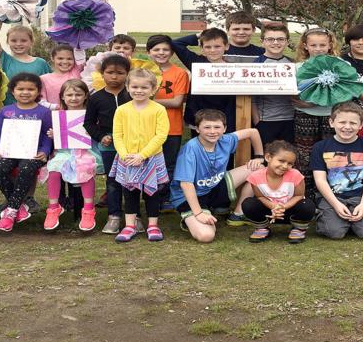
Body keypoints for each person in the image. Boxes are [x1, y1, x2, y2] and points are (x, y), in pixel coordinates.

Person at [173, 108, 263, 243]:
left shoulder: (226, 140)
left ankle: (238, 215)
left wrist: (259, 157)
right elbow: (186, 184)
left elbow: (253, 132)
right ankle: (192, 218)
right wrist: (198, 213)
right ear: (197, 129)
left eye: (217, 127)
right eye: (207, 127)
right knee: (206, 235)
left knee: (259, 169)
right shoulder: (191, 149)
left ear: (224, 128)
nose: (212, 131)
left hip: (214, 186)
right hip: (190, 196)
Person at [109, 68, 171, 242]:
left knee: (152, 193)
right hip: (127, 158)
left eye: (144, 87)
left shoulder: (158, 109)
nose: (139, 90)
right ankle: (130, 226)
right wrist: (124, 154)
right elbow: (117, 134)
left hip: (151, 157)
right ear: (127, 87)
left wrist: (142, 155)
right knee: (129, 192)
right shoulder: (121, 110)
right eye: (135, 86)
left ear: (152, 89)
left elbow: (161, 135)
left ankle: (153, 225)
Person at [310, 104, 363, 240]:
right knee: (334, 232)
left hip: (360, 197)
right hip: (333, 197)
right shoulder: (320, 147)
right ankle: (337, 219)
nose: (347, 127)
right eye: (342, 122)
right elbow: (320, 180)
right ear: (331, 122)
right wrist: (336, 204)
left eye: (353, 123)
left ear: (361, 125)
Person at [0, 72, 53, 231]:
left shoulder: (44, 112)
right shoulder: (5, 111)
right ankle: (19, 207)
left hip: (33, 153)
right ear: (13, 91)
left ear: (38, 91)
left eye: (30, 89)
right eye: (20, 89)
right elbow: (0, 132)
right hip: (9, 151)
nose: (25, 92)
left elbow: (48, 135)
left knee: (26, 169)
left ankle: (11, 211)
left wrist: (45, 151)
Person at [41, 79, 100, 232]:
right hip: (65, 152)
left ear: (86, 96)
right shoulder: (59, 115)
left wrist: (92, 131)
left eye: (78, 94)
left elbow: (95, 134)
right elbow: (58, 139)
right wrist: (55, 134)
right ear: (62, 97)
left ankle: (88, 209)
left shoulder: (90, 114)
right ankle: (53, 208)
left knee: (85, 168)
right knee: (54, 170)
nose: (74, 98)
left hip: (86, 151)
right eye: (70, 95)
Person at [84, 54, 132, 235]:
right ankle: (114, 216)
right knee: (113, 182)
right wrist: (101, 136)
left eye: (120, 73)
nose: (114, 77)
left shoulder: (131, 95)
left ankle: (132, 216)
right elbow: (88, 123)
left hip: (131, 145)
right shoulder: (96, 98)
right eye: (110, 72)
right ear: (102, 74)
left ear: (127, 74)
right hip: (108, 144)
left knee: (131, 180)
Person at [241, 142, 316, 243]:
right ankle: (262, 228)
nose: (285, 166)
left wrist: (283, 207)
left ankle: (298, 229)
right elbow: (260, 197)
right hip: (269, 213)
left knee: (307, 205)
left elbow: (299, 195)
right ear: (268, 157)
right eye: (281, 161)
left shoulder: (295, 175)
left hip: (290, 212)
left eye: (290, 163)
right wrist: (273, 206)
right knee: (248, 203)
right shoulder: (255, 177)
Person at [291, 27, 339, 171]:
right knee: (305, 153)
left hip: (331, 115)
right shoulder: (297, 67)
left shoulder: (340, 65)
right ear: (305, 46)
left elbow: (344, 92)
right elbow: (290, 90)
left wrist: (311, 103)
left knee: (331, 153)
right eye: (313, 45)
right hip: (304, 116)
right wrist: (299, 100)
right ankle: (307, 189)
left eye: (322, 45)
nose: (318, 49)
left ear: (330, 45)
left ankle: (329, 189)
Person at [145, 35, 190, 178]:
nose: (161, 52)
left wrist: (146, 101)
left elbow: (177, 102)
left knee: (168, 164)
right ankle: (150, 197)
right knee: (147, 163)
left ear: (172, 52)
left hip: (171, 127)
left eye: (166, 49)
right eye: (156, 49)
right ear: (148, 52)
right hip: (146, 126)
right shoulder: (143, 72)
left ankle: (166, 198)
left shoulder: (179, 73)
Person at [253, 22, 297, 144]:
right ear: (262, 41)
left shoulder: (293, 64)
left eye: (280, 39)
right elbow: (251, 98)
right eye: (270, 39)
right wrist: (258, 121)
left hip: (291, 120)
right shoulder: (255, 65)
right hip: (266, 121)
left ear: (287, 42)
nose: (276, 42)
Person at [39, 43, 83, 109]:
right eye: (60, 58)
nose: (65, 62)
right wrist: (57, 107)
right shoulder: (43, 79)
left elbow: (80, 53)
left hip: (76, 115)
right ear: (52, 58)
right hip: (54, 116)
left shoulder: (76, 72)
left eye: (69, 59)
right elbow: (41, 101)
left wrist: (78, 39)